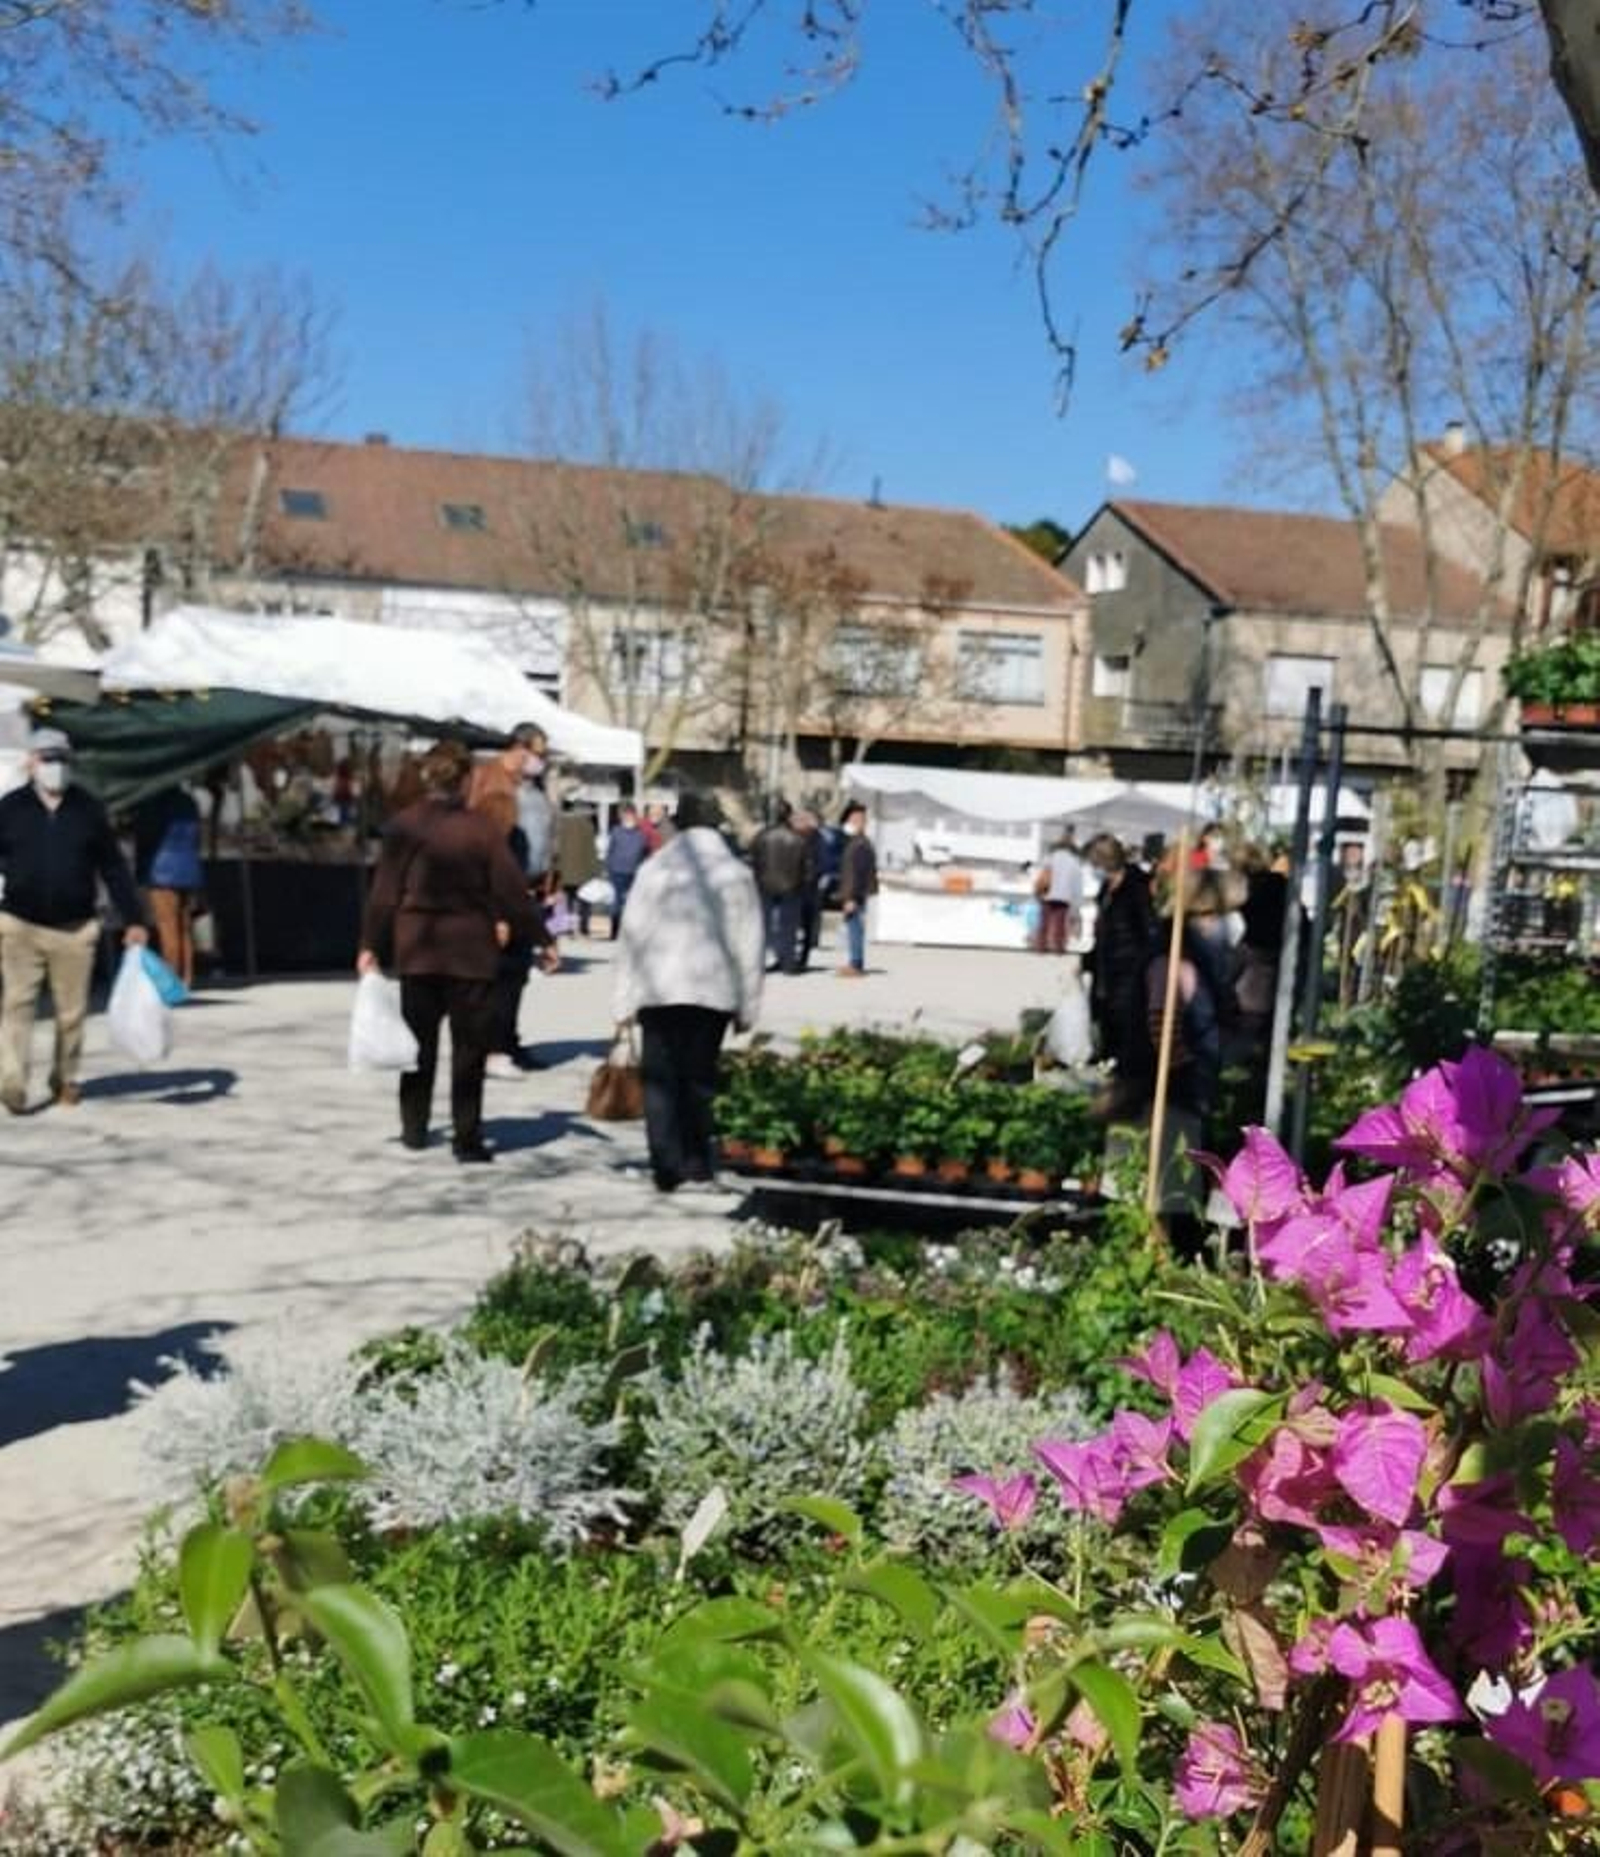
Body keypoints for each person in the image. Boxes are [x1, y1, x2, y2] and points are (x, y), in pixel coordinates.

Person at [359, 740, 553, 1164]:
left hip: (420, 948)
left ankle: (413, 1128)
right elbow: (511, 891)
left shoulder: (404, 825)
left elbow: (383, 894)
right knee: (469, 1050)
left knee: (418, 1047)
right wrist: (543, 938)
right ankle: (467, 1138)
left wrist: (371, 944)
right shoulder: (482, 830)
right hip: (470, 952)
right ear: (466, 779)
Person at [612, 789, 764, 1193]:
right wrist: (748, 1004)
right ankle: (697, 1157)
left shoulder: (656, 868)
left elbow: (632, 934)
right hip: (712, 988)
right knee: (699, 1076)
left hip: (658, 985)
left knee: (659, 1077)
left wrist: (623, 999)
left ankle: (665, 1162)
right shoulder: (735, 873)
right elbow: (749, 943)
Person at [0, 727, 148, 1112]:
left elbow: (113, 867)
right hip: (20, 923)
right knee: (18, 1005)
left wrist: (134, 918)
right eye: (48, 759)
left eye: (63, 759)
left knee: (71, 1012)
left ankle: (64, 1077)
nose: (56, 767)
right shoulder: (10, 808)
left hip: (75, 927)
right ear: (31, 762)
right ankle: (12, 1082)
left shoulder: (88, 809)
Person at [467, 724, 552, 1078]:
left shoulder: (531, 787)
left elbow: (545, 835)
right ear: (518, 747)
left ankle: (509, 1040)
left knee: (517, 973)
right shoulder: (487, 778)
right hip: (499, 888)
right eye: (537, 753)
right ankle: (492, 1046)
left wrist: (552, 880)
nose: (540, 761)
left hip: (529, 887)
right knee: (499, 974)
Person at [1085, 833, 1156, 1117]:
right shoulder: (1107, 888)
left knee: (1129, 1034)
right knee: (1108, 1027)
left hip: (1129, 972)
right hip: (1108, 970)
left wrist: (1139, 967)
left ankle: (1127, 1099)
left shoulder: (1136, 887)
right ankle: (1113, 1093)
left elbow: (1147, 931)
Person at [133, 785, 204, 988]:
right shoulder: (189, 801)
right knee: (185, 927)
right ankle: (187, 977)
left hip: (161, 869)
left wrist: (141, 871)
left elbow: (145, 836)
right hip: (189, 866)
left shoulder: (151, 803)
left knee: (167, 927)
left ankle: (170, 981)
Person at [750, 800, 809, 975]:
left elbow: (754, 860)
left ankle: (760, 962)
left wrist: (758, 879)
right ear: (789, 815)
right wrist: (801, 884)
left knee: (763, 927)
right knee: (788, 927)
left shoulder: (761, 836)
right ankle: (788, 963)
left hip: (765, 885)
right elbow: (805, 866)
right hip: (791, 886)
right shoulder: (798, 839)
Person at [835, 800, 878, 978]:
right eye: (851, 820)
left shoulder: (859, 844)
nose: (853, 823)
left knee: (855, 929)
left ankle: (856, 964)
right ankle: (854, 962)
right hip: (855, 893)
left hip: (854, 895)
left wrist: (851, 897)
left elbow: (857, 874)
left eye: (857, 820)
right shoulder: (856, 842)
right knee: (854, 928)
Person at [1034, 825, 1085, 955]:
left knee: (1044, 923)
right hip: (1063, 896)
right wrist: (1077, 904)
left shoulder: (1049, 858)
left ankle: (1041, 946)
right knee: (1060, 924)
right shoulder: (1074, 862)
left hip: (1047, 894)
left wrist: (1037, 892)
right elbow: (1077, 885)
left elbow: (1041, 876)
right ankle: (1059, 948)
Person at [555, 796, 601, 935]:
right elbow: (591, 851)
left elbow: (557, 847)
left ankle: (566, 928)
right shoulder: (588, 826)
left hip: (565, 869)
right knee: (585, 900)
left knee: (566, 899)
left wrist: (556, 867)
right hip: (583, 871)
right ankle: (584, 927)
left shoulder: (562, 823)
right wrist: (595, 871)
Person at [604, 802, 650, 938]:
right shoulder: (617, 832)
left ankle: (623, 931)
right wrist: (608, 867)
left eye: (630, 815)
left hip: (630, 871)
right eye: (626, 815)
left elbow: (643, 853)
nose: (628, 817)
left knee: (627, 902)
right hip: (618, 871)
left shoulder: (639, 834)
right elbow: (611, 851)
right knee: (618, 902)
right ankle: (615, 930)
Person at [793, 809, 825, 968]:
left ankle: (802, 958)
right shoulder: (798, 837)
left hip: (807, 886)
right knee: (798, 923)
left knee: (805, 923)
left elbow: (818, 863)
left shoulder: (815, 838)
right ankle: (796, 956)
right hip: (800, 885)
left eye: (799, 820)